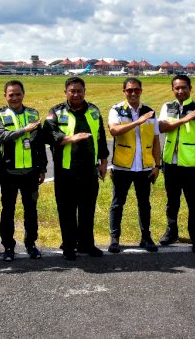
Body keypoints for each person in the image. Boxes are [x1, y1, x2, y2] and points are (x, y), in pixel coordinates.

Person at [43, 77, 109, 261]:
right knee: (67, 211)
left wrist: (103, 163)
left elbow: (101, 138)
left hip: (89, 170)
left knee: (87, 210)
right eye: (72, 91)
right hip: (66, 171)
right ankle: (69, 246)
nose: (76, 94)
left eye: (79, 90)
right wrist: (71, 138)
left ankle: (87, 244)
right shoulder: (56, 111)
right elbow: (48, 134)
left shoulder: (94, 111)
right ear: (65, 92)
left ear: (84, 91)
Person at [0, 80, 48, 261]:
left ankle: (31, 244)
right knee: (7, 209)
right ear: (5, 96)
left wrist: (42, 168)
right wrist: (24, 130)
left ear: (23, 94)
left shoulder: (33, 114)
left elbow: (39, 143)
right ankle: (8, 246)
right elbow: (1, 136)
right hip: (9, 172)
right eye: (11, 95)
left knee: (31, 209)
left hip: (30, 172)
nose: (15, 98)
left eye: (18, 94)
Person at [158, 74, 195, 254]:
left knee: (193, 201)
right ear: (173, 89)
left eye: (184, 87)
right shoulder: (167, 107)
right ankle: (171, 230)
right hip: (170, 163)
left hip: (190, 164)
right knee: (172, 200)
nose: (181, 91)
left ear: (190, 88)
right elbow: (162, 128)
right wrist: (183, 120)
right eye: (177, 88)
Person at [107, 77, 161, 253]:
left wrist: (157, 165)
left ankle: (146, 237)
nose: (133, 93)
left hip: (144, 167)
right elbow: (113, 130)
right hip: (122, 167)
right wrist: (138, 122)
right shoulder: (116, 110)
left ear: (141, 91)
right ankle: (114, 239)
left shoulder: (150, 112)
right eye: (129, 90)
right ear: (124, 92)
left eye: (136, 90)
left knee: (144, 204)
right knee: (117, 203)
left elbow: (155, 140)